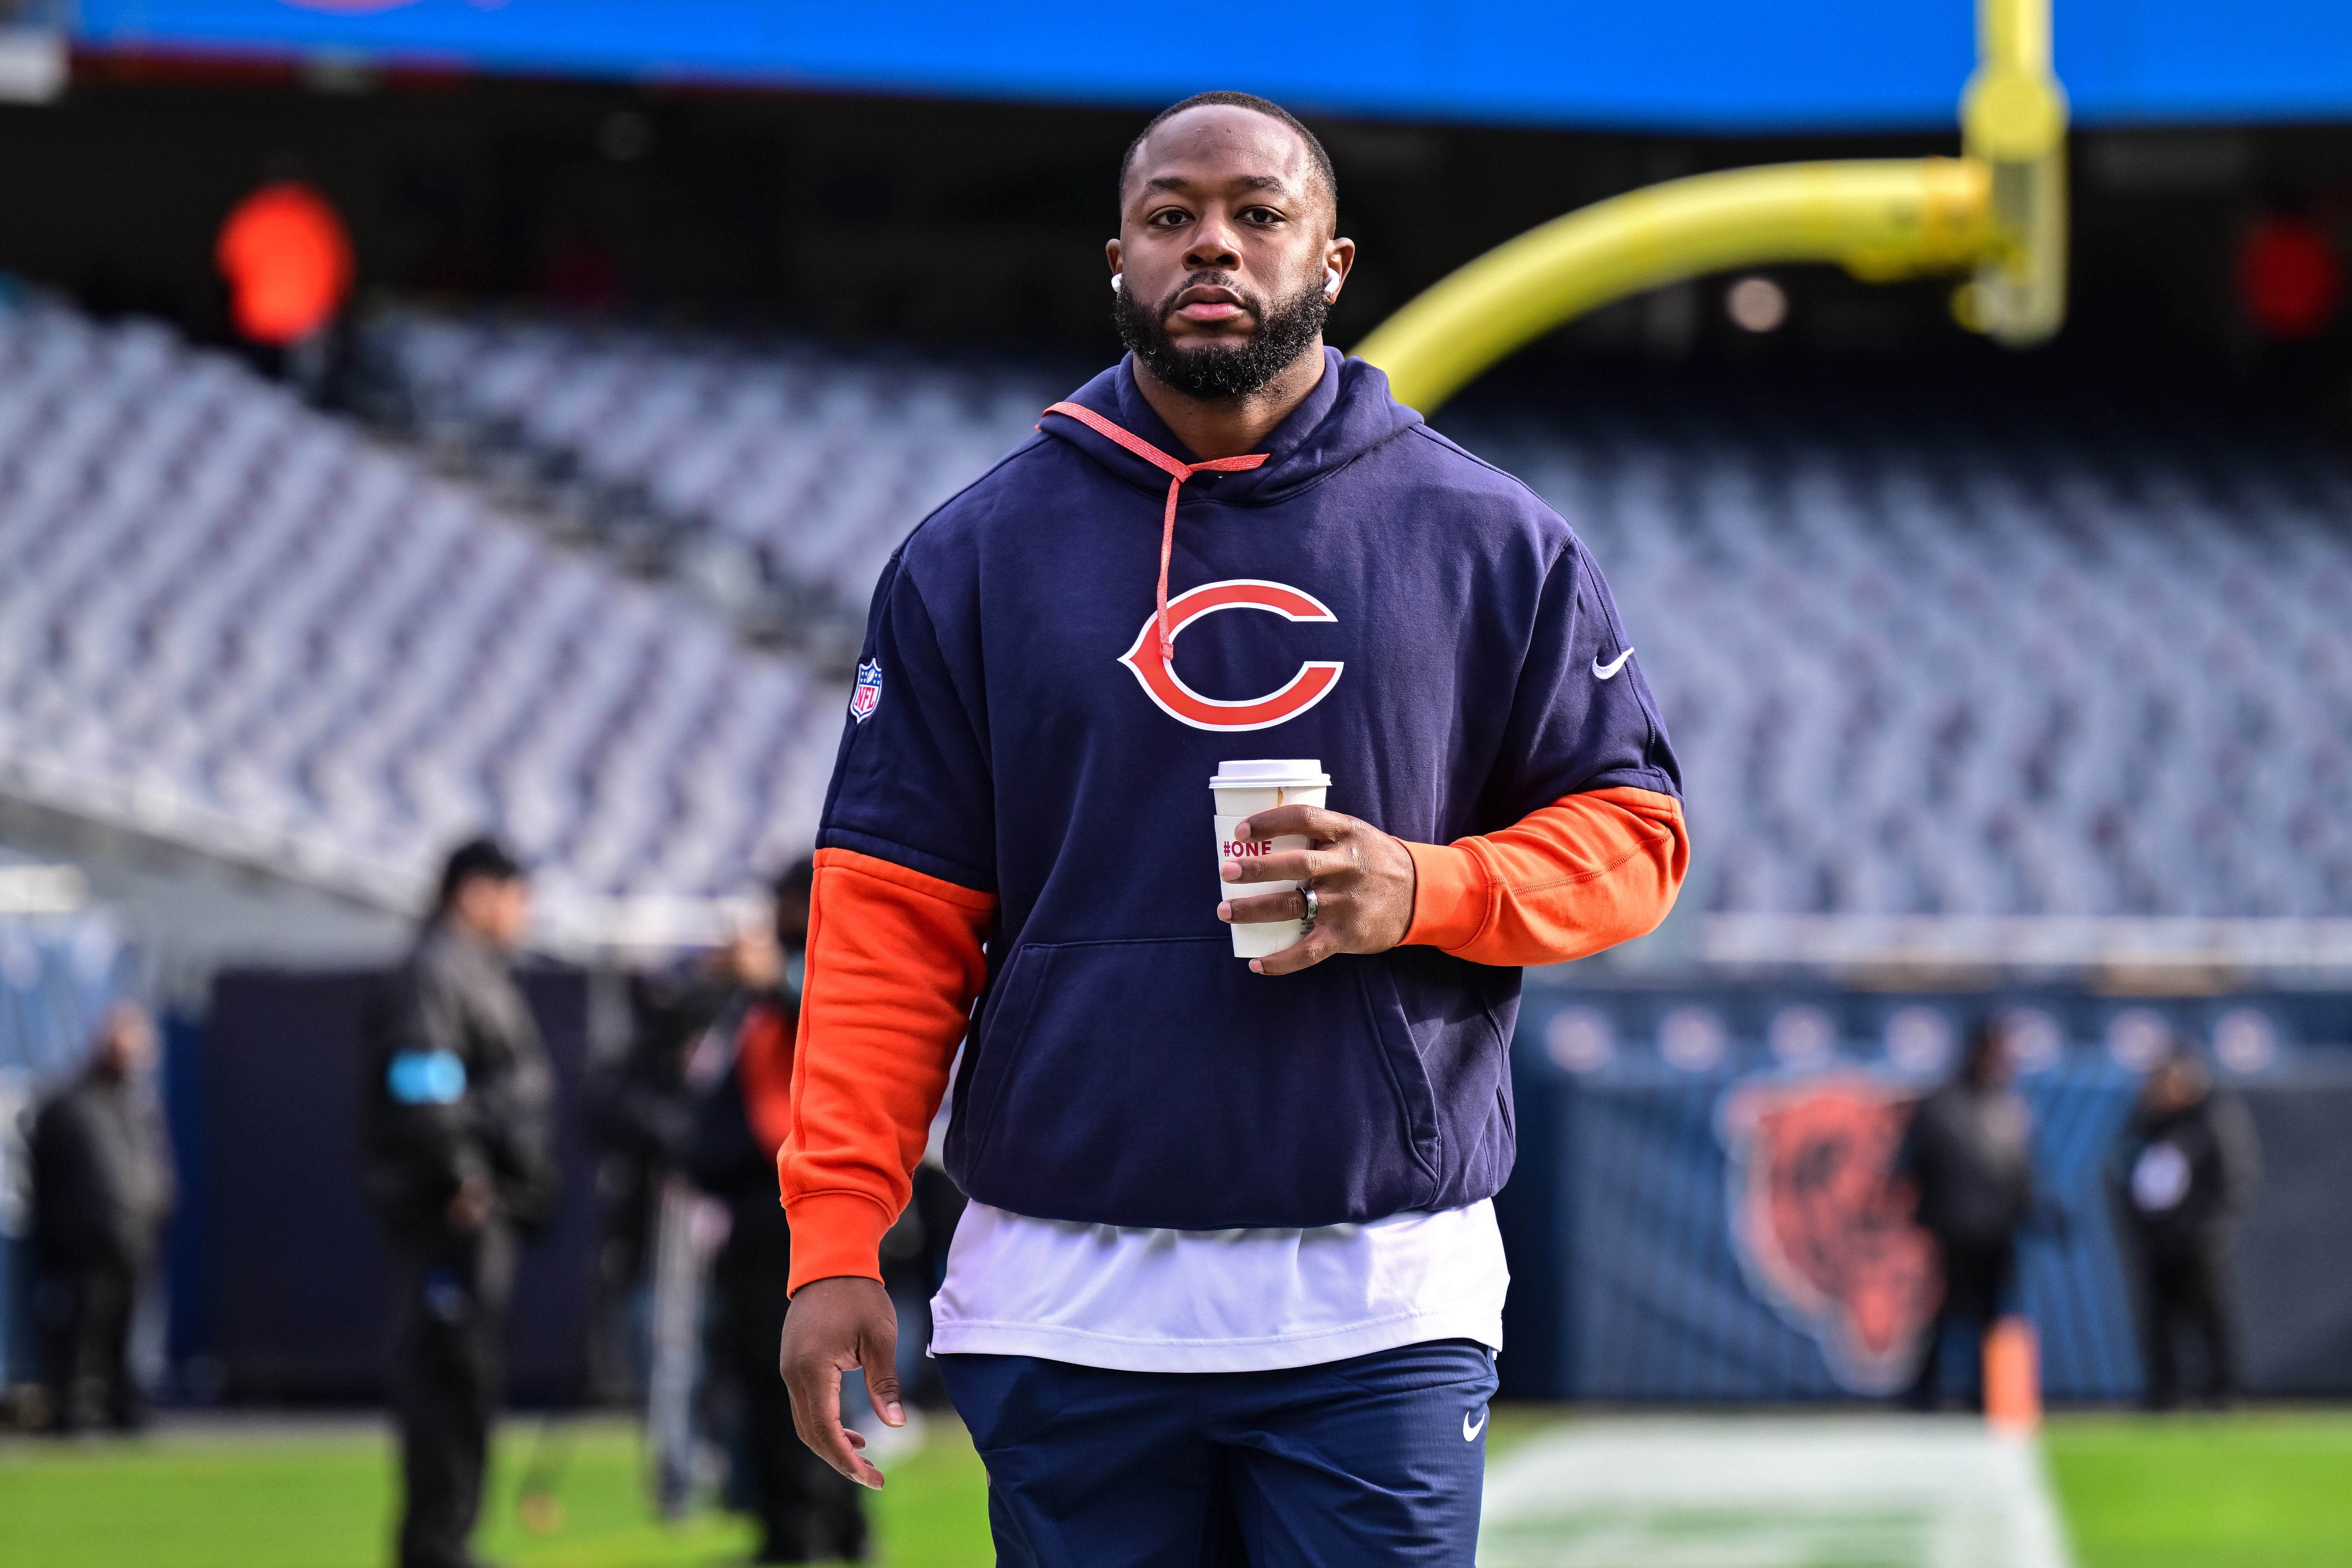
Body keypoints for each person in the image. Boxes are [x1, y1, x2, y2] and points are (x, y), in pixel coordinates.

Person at [778, 91, 1687, 1564]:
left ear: (1330, 261)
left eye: (1257, 213)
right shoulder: (972, 554)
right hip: (1065, 1293)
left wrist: (1421, 884)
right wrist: (834, 1235)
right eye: (1169, 215)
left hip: (1375, 1296)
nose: (1212, 242)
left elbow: (1634, 835)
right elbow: (890, 923)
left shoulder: (1489, 540)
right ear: (1118, 259)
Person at [360, 838, 559, 1568]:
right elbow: (421, 1079)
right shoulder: (435, 969)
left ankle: (450, 1535)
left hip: (481, 1207)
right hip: (454, 1211)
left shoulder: (471, 970)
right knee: (446, 1372)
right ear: (475, 891)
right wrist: (461, 1175)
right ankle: (436, 1542)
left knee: (467, 1372)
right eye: (516, 894)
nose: (524, 913)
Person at [686, 859, 869, 1564]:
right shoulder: (756, 1000)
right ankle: (801, 1527)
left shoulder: (814, 976)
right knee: (775, 1381)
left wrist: (768, 979)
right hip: (762, 1216)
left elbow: (824, 1023)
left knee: (795, 1377)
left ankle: (810, 1532)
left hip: (792, 1212)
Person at [29, 1002, 175, 1434]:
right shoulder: (69, 1104)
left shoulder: (137, 1105)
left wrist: (155, 1211)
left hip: (134, 1240)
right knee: (77, 1333)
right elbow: (49, 1175)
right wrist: (69, 1231)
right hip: (83, 1246)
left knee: (124, 1334)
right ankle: (67, 1410)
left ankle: (121, 1405)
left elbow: (152, 1168)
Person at [1896, 1018, 2035, 1412]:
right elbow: (1916, 1163)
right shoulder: (1942, 1103)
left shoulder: (2008, 1106)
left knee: (1993, 1315)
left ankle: (1989, 1394)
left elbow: (2018, 1169)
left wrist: (2028, 1209)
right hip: (1953, 1228)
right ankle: (1925, 1392)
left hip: (1998, 1229)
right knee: (1943, 1313)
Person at [2119, 1044, 2260, 1409]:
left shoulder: (2213, 1120)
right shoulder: (2148, 1124)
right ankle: (2163, 1392)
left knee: (2209, 1317)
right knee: (2159, 1321)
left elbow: (2233, 1180)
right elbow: (2128, 1176)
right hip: (2158, 1240)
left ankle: (2221, 1391)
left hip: (2199, 1242)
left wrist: (2208, 1230)